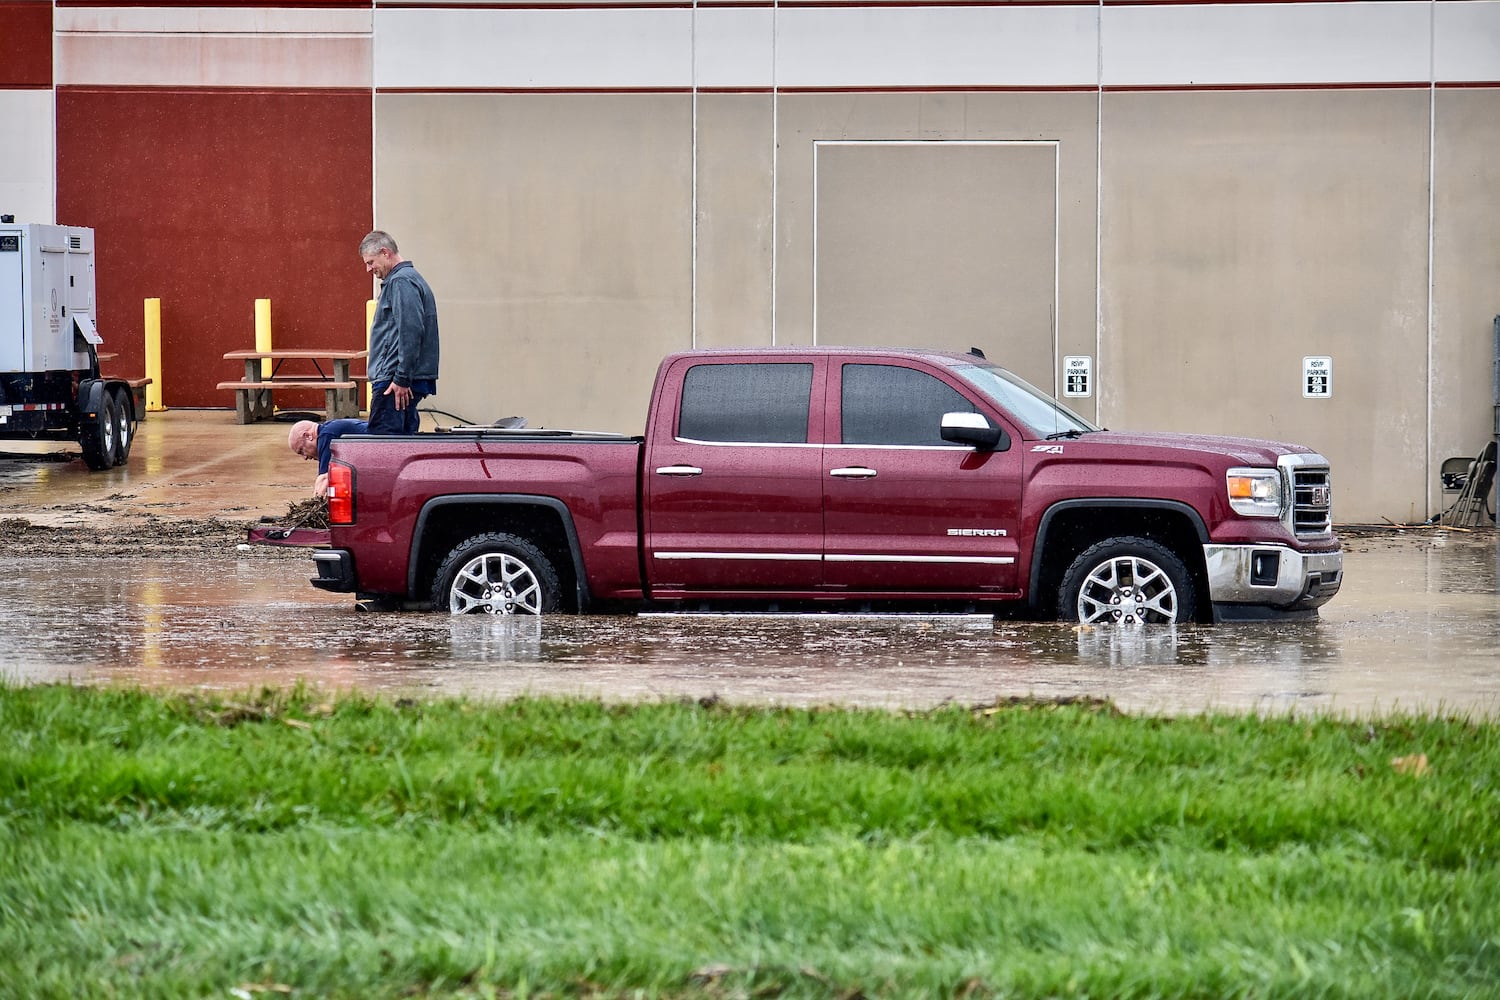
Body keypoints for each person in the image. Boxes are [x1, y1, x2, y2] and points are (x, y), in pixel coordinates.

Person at [359, 230, 439, 435]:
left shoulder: (401, 281)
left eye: (371, 262)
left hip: (394, 383)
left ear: (385, 253)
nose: (369, 269)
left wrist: (402, 378)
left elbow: (410, 330)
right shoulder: (409, 279)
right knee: (402, 443)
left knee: (383, 446)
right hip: (400, 380)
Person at [288, 417, 366, 497]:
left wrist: (313, 506)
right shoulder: (331, 428)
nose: (305, 457)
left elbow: (324, 481)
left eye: (301, 450)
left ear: (308, 436)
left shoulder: (326, 435)